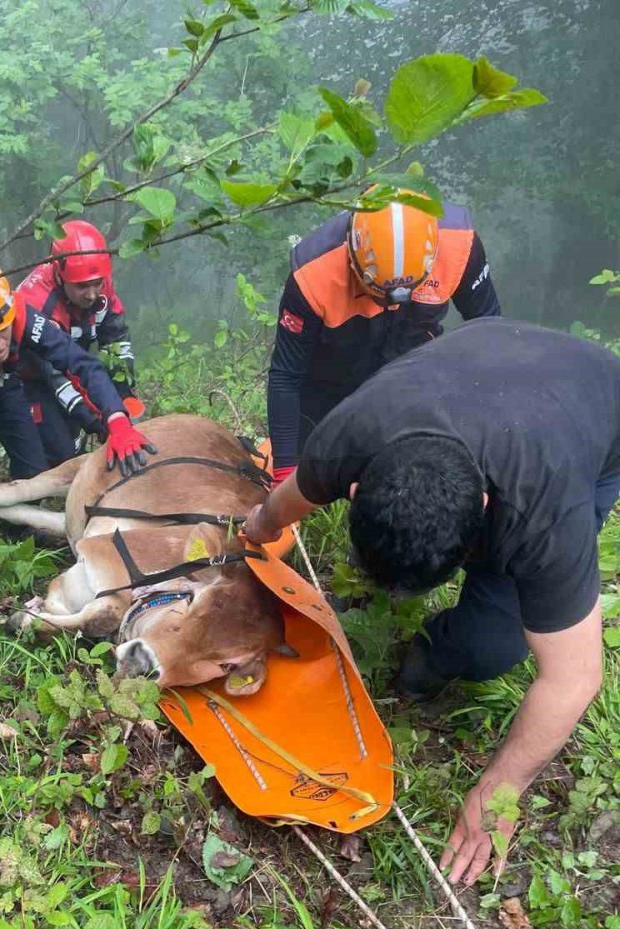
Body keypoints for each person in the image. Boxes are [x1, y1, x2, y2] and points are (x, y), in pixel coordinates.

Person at [244, 319, 620, 887]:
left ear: (488, 507)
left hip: (594, 405)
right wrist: (249, 532)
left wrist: (499, 790)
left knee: (491, 647)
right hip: (486, 357)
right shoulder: (348, 437)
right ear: (354, 488)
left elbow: (574, 679)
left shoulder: (543, 511)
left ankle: (439, 652)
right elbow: (280, 507)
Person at [267, 193, 500, 481]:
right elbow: (286, 375)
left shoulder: (459, 244)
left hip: (413, 372)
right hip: (329, 376)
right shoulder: (313, 273)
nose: (390, 302)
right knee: (306, 470)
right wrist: (284, 472)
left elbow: (489, 333)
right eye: (375, 291)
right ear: (353, 255)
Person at [0, 252, 150, 491]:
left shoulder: (20, 313)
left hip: (0, 380)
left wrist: (115, 417)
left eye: (2, 331)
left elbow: (80, 362)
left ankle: (14, 527)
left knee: (34, 473)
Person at [16, 219, 137, 464]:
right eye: (82, 287)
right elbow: (55, 376)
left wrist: (123, 397)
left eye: (97, 284)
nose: (92, 294)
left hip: (73, 360)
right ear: (60, 275)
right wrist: (99, 420)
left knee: (82, 435)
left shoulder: (100, 280)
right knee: (61, 454)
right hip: (30, 377)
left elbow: (115, 339)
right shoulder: (36, 301)